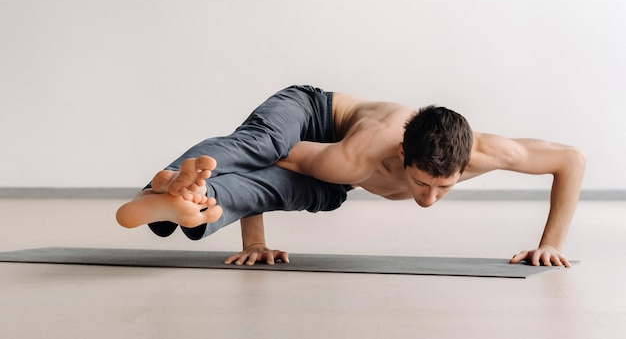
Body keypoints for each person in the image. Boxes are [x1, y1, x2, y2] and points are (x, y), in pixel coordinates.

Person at [116, 85, 585, 267]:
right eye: (421, 183)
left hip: (332, 164)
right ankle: (169, 183)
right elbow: (271, 166)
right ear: (402, 154)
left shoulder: (490, 153)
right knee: (264, 147)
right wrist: (252, 240)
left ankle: (189, 208)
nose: (429, 199)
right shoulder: (358, 156)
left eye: (445, 186)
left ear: (465, 166)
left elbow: (570, 160)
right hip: (306, 112)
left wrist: (552, 244)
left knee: (321, 196)